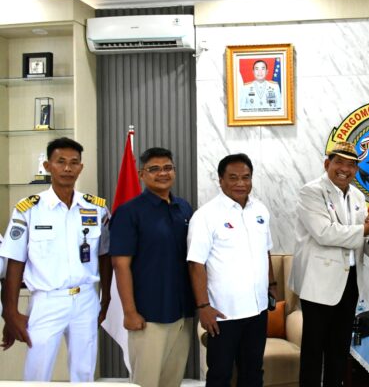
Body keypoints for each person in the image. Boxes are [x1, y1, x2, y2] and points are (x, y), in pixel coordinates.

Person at [0, 137, 112, 381]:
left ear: (81, 167)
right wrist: (10, 311)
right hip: (47, 300)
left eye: (74, 162)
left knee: (84, 371)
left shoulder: (96, 208)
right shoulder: (29, 209)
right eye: (60, 162)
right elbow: (14, 263)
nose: (68, 168)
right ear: (47, 166)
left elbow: (105, 255)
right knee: (37, 370)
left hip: (85, 298)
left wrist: (106, 298)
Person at [289, 141, 369, 387]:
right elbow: (324, 233)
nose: (345, 169)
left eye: (351, 165)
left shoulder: (357, 195)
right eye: (339, 162)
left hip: (350, 279)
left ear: (356, 170)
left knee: (339, 347)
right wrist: (366, 229)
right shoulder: (311, 192)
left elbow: (361, 236)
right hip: (318, 282)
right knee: (314, 349)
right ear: (327, 164)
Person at [187, 153, 276, 387]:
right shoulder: (206, 216)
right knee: (220, 374)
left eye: (246, 177)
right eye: (233, 177)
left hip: (258, 310)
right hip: (223, 313)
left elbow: (266, 250)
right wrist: (203, 307)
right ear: (221, 180)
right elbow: (195, 264)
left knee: (253, 372)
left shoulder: (260, 210)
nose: (240, 183)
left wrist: (272, 285)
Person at [109, 147, 194, 387]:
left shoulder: (184, 208)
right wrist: (130, 312)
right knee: (146, 381)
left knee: (172, 380)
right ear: (141, 174)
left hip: (182, 312)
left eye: (167, 168)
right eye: (154, 169)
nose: (162, 173)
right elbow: (120, 265)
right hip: (148, 315)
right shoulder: (129, 212)